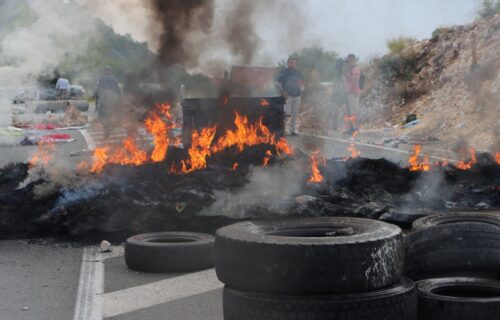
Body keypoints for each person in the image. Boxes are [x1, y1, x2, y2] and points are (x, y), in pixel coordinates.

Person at [277, 58, 304, 136]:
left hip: (297, 95)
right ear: (288, 63)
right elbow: (277, 83)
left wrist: (302, 88)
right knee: (286, 113)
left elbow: (301, 81)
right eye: (291, 63)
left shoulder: (298, 72)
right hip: (288, 95)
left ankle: (292, 130)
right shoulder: (285, 72)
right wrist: (283, 91)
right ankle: (283, 129)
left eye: (294, 63)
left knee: (294, 113)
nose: (293, 64)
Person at [94, 67, 121, 138]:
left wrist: (95, 96)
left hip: (105, 101)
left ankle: (107, 128)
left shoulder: (101, 79)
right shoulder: (114, 80)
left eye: (105, 71)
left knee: (102, 116)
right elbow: (118, 91)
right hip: (111, 101)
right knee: (109, 115)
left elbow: (97, 89)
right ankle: (109, 127)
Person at [343, 54, 361, 135]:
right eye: (348, 60)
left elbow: (354, 79)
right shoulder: (348, 69)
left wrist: (346, 75)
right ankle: (351, 128)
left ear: (353, 60)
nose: (349, 62)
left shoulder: (355, 69)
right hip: (348, 92)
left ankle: (356, 128)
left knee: (354, 111)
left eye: (350, 60)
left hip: (354, 93)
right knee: (349, 112)